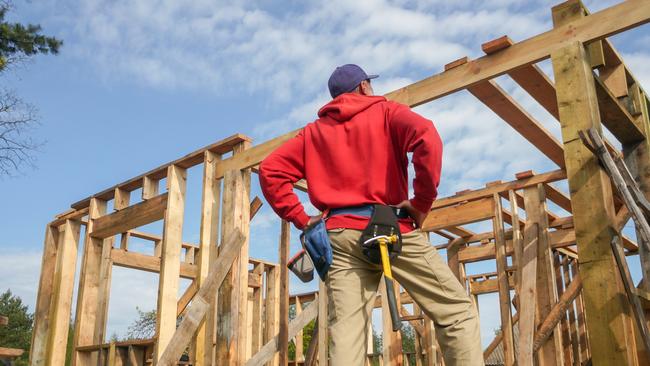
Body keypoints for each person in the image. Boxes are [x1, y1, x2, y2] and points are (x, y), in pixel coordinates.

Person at [259, 64, 483, 365]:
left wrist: (301, 218)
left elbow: (270, 170)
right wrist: (422, 202)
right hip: (390, 228)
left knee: (347, 335)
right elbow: (426, 136)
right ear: (364, 86)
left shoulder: (313, 133)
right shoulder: (387, 113)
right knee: (456, 312)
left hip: (339, 237)